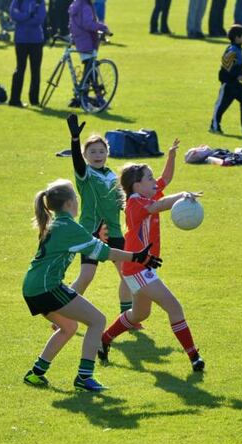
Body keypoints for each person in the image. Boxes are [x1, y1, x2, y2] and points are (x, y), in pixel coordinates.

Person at [21, 179, 162, 392]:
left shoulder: (57, 223)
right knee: (98, 320)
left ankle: (36, 373)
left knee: (68, 327)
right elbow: (105, 253)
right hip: (46, 288)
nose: (78, 202)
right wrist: (138, 256)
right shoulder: (68, 226)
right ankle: (85, 377)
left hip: (34, 287)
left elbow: (89, 245)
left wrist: (93, 238)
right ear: (69, 203)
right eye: (76, 198)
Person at [99, 163, 206, 372]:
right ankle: (194, 357)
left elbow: (161, 194)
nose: (154, 181)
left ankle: (104, 339)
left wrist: (179, 193)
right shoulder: (135, 203)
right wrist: (183, 195)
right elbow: (158, 206)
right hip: (137, 269)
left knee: (139, 315)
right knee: (174, 307)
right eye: (149, 178)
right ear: (137, 185)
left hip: (140, 268)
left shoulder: (144, 197)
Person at [67, 114, 169, 321]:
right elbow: (77, 163)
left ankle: (127, 317)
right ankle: (66, 312)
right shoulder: (85, 174)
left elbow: (125, 201)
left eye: (101, 151)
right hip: (91, 232)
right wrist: (75, 141)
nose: (97, 155)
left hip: (114, 230)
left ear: (107, 153)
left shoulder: (112, 176)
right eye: (92, 152)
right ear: (86, 155)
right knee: (86, 276)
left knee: (127, 275)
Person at [209, 24, 242, 135]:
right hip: (228, 85)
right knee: (221, 106)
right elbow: (225, 70)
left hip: (235, 84)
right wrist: (236, 77)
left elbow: (237, 67)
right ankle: (214, 126)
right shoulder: (232, 51)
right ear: (237, 38)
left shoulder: (238, 49)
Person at [69, 0, 109, 106]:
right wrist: (103, 27)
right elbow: (88, 24)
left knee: (90, 71)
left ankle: (86, 98)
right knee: (90, 72)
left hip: (81, 40)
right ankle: (88, 99)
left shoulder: (78, 3)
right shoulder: (85, 6)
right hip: (87, 41)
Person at [8, 0, 45, 107]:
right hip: (21, 40)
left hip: (36, 40)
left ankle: (34, 100)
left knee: (35, 71)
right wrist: (29, 15)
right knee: (20, 69)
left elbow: (39, 19)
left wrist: (23, 18)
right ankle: (14, 99)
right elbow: (13, 14)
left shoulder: (39, 1)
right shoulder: (18, 1)